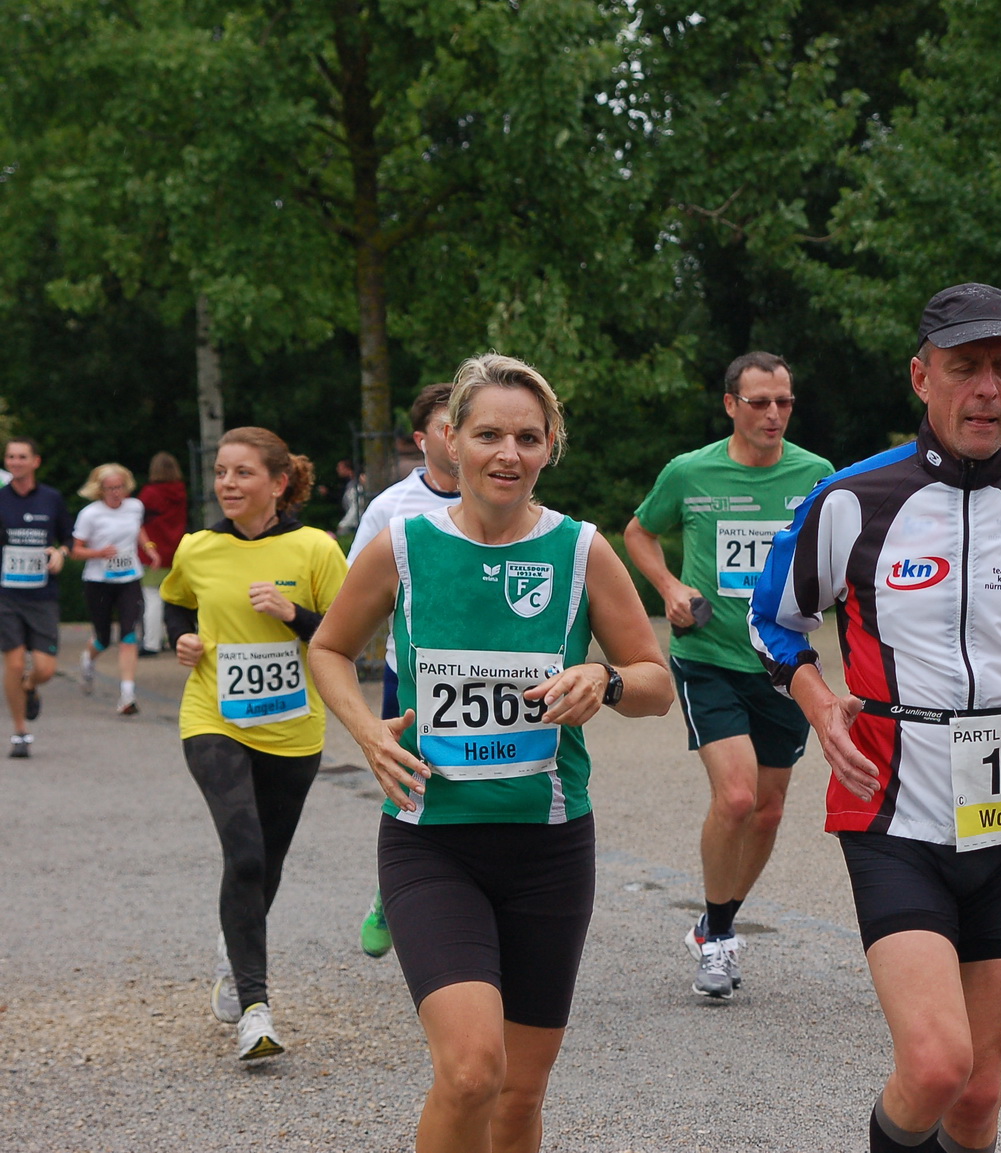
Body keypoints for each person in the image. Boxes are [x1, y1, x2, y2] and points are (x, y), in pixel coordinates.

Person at [750, 283, 1001, 1153]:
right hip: (894, 808)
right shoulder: (852, 499)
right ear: (921, 378)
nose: (988, 389)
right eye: (965, 368)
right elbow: (772, 619)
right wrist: (816, 700)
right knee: (935, 1065)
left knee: (980, 1092)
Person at [309, 354, 673, 1153]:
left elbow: (656, 682)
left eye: (528, 437)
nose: (508, 452)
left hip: (549, 849)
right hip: (431, 841)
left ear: (548, 448)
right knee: (472, 1069)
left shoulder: (581, 549)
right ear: (451, 438)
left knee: (518, 1094)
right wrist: (368, 731)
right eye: (489, 435)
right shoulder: (404, 545)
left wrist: (604, 679)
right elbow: (328, 648)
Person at [623, 351, 832, 1000]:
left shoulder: (816, 475)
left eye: (784, 402)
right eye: (759, 402)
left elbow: (840, 553)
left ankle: (718, 919)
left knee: (768, 811)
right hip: (708, 655)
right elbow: (639, 532)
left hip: (783, 663)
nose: (774, 414)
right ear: (730, 405)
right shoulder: (690, 472)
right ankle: (717, 937)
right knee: (738, 797)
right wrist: (668, 586)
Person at [162, 427, 348, 1061]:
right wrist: (183, 639)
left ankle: (232, 944)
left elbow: (349, 634)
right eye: (221, 472)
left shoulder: (315, 548)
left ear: (278, 482)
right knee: (243, 854)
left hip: (293, 729)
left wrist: (293, 615)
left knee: (266, 861)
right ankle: (254, 1009)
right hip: (213, 718)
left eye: (242, 473)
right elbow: (176, 604)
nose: (227, 484)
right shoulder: (198, 547)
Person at [347, 383, 462, 958]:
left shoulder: (508, 498)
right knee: (411, 783)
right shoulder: (390, 508)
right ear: (422, 439)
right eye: (447, 425)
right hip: (412, 676)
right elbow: (355, 595)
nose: (458, 436)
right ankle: (390, 889)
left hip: (496, 676)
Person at [0, 438, 75, 759]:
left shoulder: (51, 498)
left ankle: (30, 687)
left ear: (35, 461)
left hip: (43, 595)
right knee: (14, 663)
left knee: (44, 669)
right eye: (10, 457)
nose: (15, 462)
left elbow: (69, 537)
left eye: (22, 457)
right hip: (7, 595)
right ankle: (20, 732)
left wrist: (61, 553)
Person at [70, 463, 159, 715]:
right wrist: (98, 553)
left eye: (120, 487)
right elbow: (75, 550)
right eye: (110, 488)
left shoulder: (135, 506)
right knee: (103, 638)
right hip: (98, 581)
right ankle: (87, 661)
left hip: (129, 578)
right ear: (100, 489)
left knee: (129, 635)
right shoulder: (90, 514)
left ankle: (127, 695)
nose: (116, 492)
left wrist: (149, 548)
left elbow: (138, 529)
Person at [138, 451, 188, 655]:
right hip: (176, 550)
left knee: (152, 597)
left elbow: (138, 520)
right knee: (173, 598)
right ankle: (174, 637)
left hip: (153, 552)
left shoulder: (150, 493)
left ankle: (152, 642)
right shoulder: (180, 492)